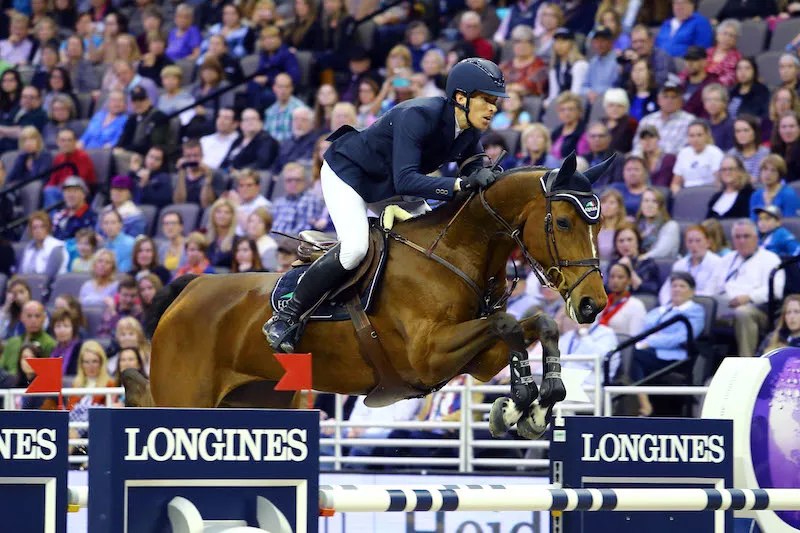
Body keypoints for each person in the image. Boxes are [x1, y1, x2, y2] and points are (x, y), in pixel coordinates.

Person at [265, 57, 510, 353]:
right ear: (461, 98)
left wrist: (486, 177)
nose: (493, 107)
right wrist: (458, 185)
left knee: (435, 243)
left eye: (495, 101)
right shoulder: (418, 115)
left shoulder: (470, 131)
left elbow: (473, 167)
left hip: (390, 183)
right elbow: (407, 180)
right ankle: (288, 314)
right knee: (355, 248)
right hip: (350, 174)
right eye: (486, 99)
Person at [631, 271, 705, 416]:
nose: (677, 289)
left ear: (692, 292)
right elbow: (646, 327)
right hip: (652, 351)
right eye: (674, 286)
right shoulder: (660, 310)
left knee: (637, 355)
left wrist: (652, 341)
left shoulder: (695, 311)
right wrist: (650, 340)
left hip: (675, 355)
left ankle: (643, 402)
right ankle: (641, 400)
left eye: (682, 286)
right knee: (632, 353)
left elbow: (682, 337)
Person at [709, 219, 784, 357]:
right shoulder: (726, 260)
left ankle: (746, 363)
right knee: (701, 310)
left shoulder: (770, 259)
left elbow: (777, 290)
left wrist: (749, 297)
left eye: (746, 236)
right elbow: (712, 287)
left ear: (756, 238)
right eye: (738, 237)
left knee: (743, 313)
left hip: (757, 309)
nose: (742, 241)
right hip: (725, 307)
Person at [657, 224, 721, 305]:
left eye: (698, 241)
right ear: (686, 244)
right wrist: (668, 304)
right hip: (676, 305)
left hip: (702, 306)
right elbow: (665, 291)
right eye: (690, 241)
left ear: (707, 243)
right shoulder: (679, 265)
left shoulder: (717, 263)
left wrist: (684, 298)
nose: (694, 245)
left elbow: (710, 292)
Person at [633, 83, 695, 155]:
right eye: (665, 97)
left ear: (681, 101)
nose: (669, 100)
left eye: (674, 97)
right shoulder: (647, 121)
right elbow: (637, 146)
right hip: (646, 163)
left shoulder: (690, 121)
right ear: (659, 100)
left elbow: (686, 151)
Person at [0, 301, 55, 376]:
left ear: (44, 318)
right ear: (22, 317)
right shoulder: (12, 342)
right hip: (9, 384)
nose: (33, 320)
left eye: (37, 316)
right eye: (29, 316)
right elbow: (2, 368)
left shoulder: (50, 344)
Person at [670, 119, 724, 194]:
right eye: (692, 136)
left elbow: (719, 182)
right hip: (687, 193)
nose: (696, 139)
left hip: (708, 193)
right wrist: (680, 195)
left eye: (699, 135)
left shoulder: (715, 153)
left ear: (707, 135)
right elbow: (675, 183)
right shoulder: (683, 153)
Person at [610, 222, 660, 296]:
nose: (625, 244)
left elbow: (653, 289)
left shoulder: (648, 264)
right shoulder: (613, 264)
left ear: (637, 242)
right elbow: (606, 288)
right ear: (616, 245)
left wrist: (629, 269)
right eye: (621, 241)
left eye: (629, 240)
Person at [597, 262, 647, 336]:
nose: (615, 281)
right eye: (612, 277)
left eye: (620, 277)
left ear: (629, 281)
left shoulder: (636, 306)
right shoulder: (602, 302)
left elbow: (636, 336)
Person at [18, 210, 67, 281]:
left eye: (42, 227)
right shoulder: (28, 247)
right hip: (26, 286)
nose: (38, 230)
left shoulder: (56, 247)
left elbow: (48, 278)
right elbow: (20, 273)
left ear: (48, 228)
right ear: (31, 231)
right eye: (35, 228)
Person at [749, 154, 800, 219]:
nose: (768, 173)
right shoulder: (755, 196)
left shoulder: (789, 195)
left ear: (780, 174)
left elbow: (791, 223)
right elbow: (753, 222)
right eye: (765, 169)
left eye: (773, 170)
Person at [637, 188, 680, 259]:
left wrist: (642, 258)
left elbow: (662, 251)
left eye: (654, 201)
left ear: (660, 206)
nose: (649, 205)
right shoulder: (638, 226)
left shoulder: (671, 225)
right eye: (646, 201)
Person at [51, 177, 96, 244]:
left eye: (75, 191)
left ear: (84, 194)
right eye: (68, 191)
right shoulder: (59, 216)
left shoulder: (92, 217)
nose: (71, 195)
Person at [706, 155, 754, 219]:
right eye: (724, 169)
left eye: (731, 169)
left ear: (740, 171)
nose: (727, 172)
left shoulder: (749, 194)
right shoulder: (715, 197)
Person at [581, 26, 618, 105]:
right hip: (591, 100)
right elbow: (583, 86)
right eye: (596, 40)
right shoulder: (592, 62)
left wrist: (599, 94)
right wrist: (589, 92)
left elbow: (616, 88)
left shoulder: (617, 61)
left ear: (611, 42)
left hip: (609, 101)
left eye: (603, 40)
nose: (599, 44)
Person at [727, 114, 770, 179]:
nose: (742, 134)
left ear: (755, 132)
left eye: (746, 130)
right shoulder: (731, 154)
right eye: (738, 131)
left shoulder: (765, 153)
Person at [230, 169, 271, 236]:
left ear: (257, 187)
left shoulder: (264, 205)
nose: (244, 188)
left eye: (249, 185)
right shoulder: (236, 202)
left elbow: (250, 229)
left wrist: (237, 207)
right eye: (241, 185)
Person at [550, 91, 586, 160]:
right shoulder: (556, 132)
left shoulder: (583, 132)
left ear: (579, 111)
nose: (566, 113)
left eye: (570, 109)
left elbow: (581, 160)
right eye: (562, 110)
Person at [205, 198, 237, 268]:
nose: (222, 216)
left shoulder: (237, 241)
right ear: (213, 215)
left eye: (227, 212)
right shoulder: (205, 239)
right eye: (218, 212)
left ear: (232, 216)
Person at [50, 308, 82, 376]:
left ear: (73, 329)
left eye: (66, 326)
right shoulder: (52, 349)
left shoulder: (80, 349)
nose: (62, 330)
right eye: (58, 326)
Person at [598, 189, 627, 263]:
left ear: (619, 207)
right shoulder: (594, 229)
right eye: (604, 202)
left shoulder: (625, 229)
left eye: (612, 203)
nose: (607, 206)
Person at [771, 111, 800, 181]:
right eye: (783, 127)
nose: (788, 131)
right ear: (778, 130)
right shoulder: (776, 150)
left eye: (792, 126)